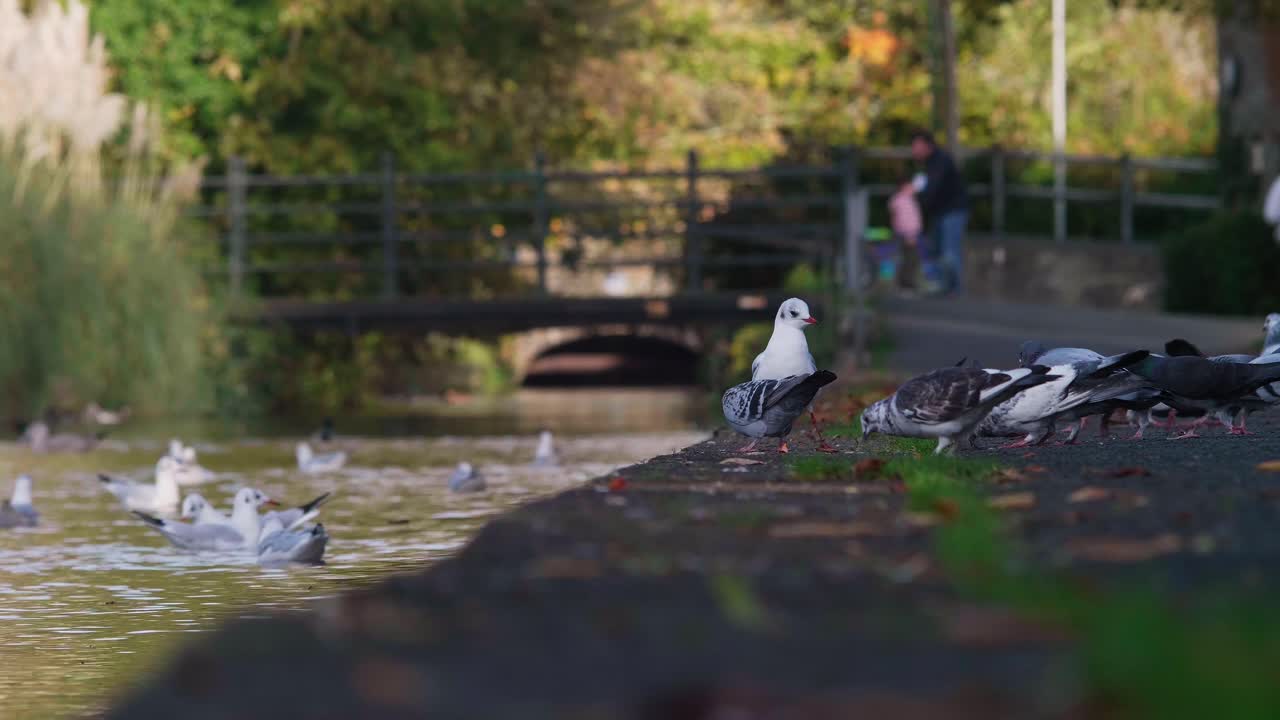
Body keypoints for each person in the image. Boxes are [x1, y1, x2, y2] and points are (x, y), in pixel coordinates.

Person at [909, 128, 969, 294]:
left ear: (926, 145)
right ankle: (941, 286)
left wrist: (917, 198)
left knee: (950, 251)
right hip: (940, 212)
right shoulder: (929, 163)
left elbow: (932, 189)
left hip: (952, 210)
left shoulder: (940, 161)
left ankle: (953, 289)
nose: (914, 151)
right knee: (937, 250)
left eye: (916, 146)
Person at [887, 177, 928, 290]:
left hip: (910, 233)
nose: (914, 188)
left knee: (910, 258)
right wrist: (909, 234)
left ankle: (906, 282)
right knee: (910, 258)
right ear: (904, 187)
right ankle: (906, 283)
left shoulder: (908, 200)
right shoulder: (902, 201)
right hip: (907, 234)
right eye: (911, 186)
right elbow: (903, 220)